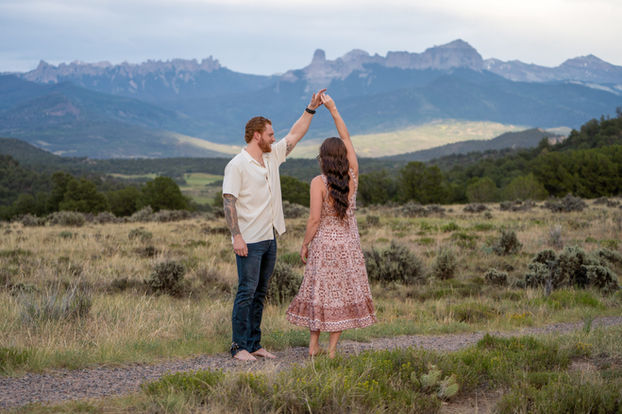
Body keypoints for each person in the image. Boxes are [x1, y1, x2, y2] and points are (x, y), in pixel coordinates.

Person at [222, 89, 326, 361]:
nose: (274, 138)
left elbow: (294, 135)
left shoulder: (271, 157)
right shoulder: (237, 165)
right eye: (270, 134)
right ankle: (238, 347)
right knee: (246, 292)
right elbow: (229, 202)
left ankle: (254, 344)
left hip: (269, 237)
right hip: (249, 240)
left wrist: (311, 108)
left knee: (260, 293)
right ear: (257, 135)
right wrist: (237, 237)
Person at [286, 93, 377, 358]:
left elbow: (314, 219)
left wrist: (304, 244)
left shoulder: (318, 182)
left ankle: (313, 346)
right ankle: (333, 350)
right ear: (344, 158)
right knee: (341, 296)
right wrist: (334, 109)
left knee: (320, 294)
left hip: (324, 245)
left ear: (323, 158)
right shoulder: (353, 176)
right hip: (349, 245)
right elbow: (347, 139)